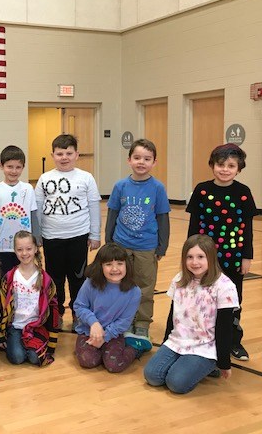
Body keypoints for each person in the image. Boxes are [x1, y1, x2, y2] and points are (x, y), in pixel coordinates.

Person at [186, 143, 257, 361]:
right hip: (204, 259)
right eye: (220, 164)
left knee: (233, 300)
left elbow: (247, 229)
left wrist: (246, 257)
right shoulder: (202, 190)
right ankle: (202, 337)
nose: (225, 169)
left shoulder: (243, 193)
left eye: (231, 166)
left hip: (233, 258)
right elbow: (193, 225)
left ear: (238, 168)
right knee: (202, 298)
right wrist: (190, 255)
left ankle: (233, 340)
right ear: (212, 165)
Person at [144, 234, 239, 394]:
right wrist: (166, 342)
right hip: (177, 342)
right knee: (152, 376)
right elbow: (172, 316)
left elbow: (224, 329)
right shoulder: (180, 280)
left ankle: (209, 367)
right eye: (190, 257)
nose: (195, 262)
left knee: (176, 383)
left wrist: (224, 363)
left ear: (211, 257)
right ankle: (187, 365)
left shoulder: (224, 287)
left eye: (200, 257)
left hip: (204, 347)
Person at [105, 138, 170, 351]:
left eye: (147, 159)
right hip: (121, 244)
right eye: (137, 158)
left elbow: (162, 218)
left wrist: (162, 246)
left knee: (144, 287)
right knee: (120, 285)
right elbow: (112, 214)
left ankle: (141, 324)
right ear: (129, 160)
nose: (141, 162)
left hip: (146, 246)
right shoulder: (120, 186)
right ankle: (123, 321)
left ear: (154, 162)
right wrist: (109, 241)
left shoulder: (158, 188)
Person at [34, 134, 101, 329]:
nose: (64, 157)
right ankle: (57, 312)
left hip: (78, 237)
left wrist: (95, 235)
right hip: (51, 238)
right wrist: (37, 234)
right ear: (52, 155)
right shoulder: (45, 178)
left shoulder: (86, 178)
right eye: (60, 153)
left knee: (77, 278)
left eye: (69, 153)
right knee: (55, 278)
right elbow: (37, 207)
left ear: (76, 155)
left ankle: (79, 312)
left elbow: (94, 207)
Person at [73, 243, 141, 373]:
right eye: (108, 264)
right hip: (88, 330)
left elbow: (124, 322)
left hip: (113, 333)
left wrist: (105, 337)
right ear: (101, 266)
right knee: (88, 360)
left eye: (120, 264)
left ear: (127, 265)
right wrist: (94, 323)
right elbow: (79, 306)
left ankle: (135, 348)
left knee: (113, 365)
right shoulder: (90, 283)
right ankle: (101, 352)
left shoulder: (134, 292)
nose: (115, 269)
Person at [0, 231, 59, 366]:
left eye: (28, 249)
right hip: (16, 326)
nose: (24, 253)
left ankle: (30, 346)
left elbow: (54, 309)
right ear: (14, 250)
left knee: (35, 358)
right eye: (20, 249)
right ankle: (20, 344)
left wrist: (53, 341)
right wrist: (0, 335)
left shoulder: (45, 279)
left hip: (37, 326)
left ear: (36, 248)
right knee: (17, 358)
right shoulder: (9, 277)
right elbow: (1, 306)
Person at [0, 145, 40, 275]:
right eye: (9, 167)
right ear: (1, 166)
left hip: (25, 247)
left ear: (23, 167)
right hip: (1, 247)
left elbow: (33, 215)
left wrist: (37, 239)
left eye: (18, 167)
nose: (14, 171)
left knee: (22, 277)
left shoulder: (28, 188)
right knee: (3, 280)